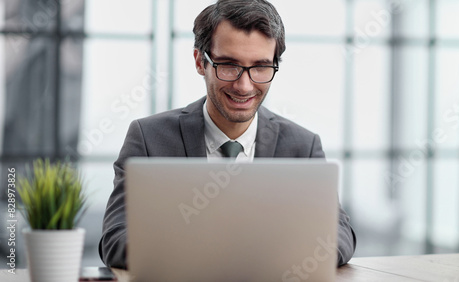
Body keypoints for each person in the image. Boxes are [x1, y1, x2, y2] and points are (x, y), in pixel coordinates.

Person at [99, 0, 356, 269]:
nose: (244, 86)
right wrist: (210, 252)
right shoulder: (149, 138)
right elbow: (115, 240)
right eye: (229, 65)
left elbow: (340, 236)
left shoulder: (302, 146)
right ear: (201, 62)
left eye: (260, 67)